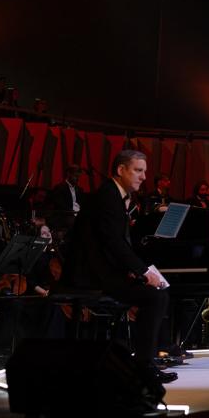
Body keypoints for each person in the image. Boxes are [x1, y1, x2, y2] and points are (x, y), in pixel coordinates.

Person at [64, 149, 175, 382]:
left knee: (158, 294)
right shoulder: (108, 196)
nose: (144, 177)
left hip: (104, 270)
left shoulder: (114, 194)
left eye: (144, 171)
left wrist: (135, 271)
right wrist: (142, 272)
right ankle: (143, 366)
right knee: (156, 297)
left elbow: (114, 243)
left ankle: (143, 360)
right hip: (92, 275)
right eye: (138, 170)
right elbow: (112, 242)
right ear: (120, 170)